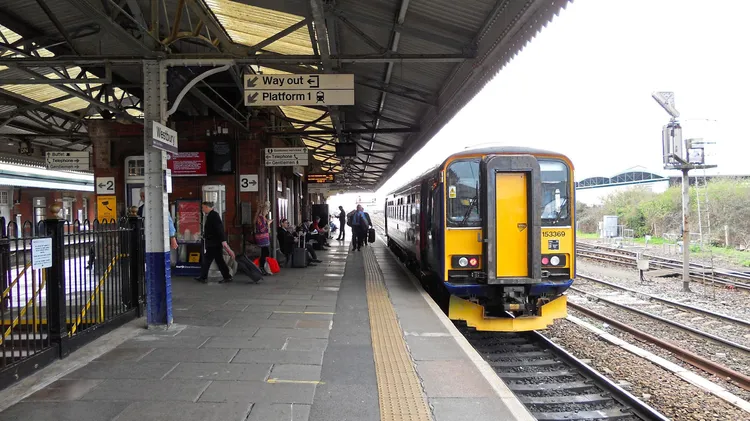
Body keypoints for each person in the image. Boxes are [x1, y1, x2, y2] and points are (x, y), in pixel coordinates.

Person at [195, 201, 234, 283]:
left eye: (203, 207)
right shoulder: (211, 215)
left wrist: (223, 240)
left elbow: (219, 229)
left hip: (214, 243)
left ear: (207, 207)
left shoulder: (214, 215)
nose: (202, 209)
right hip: (213, 243)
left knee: (209, 260)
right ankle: (226, 276)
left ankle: (204, 277)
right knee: (218, 260)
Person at [254, 201, 272, 276]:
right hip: (262, 238)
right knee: (265, 253)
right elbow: (261, 229)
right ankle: (262, 267)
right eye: (267, 210)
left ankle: (263, 267)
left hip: (264, 238)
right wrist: (268, 224)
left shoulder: (263, 218)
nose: (267, 212)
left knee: (265, 252)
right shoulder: (260, 218)